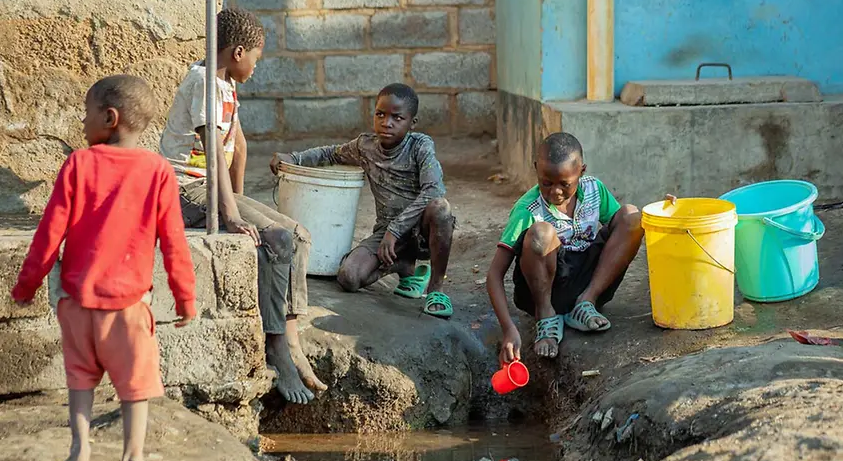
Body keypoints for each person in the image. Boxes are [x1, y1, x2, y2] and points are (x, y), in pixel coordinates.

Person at [12, 75, 195, 461]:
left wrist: (26, 286)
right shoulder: (157, 171)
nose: (82, 121)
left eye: (86, 112)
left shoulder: (78, 164)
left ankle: (80, 448)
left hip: (76, 305)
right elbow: (173, 241)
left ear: (110, 118)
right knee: (136, 384)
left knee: (79, 376)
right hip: (126, 309)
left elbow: (49, 234)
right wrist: (185, 297)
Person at [160, 7, 325, 404]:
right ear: (237, 52)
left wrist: (238, 197)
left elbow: (239, 144)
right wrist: (232, 215)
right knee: (277, 240)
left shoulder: (225, 82)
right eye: (256, 57)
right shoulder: (203, 82)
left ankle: (291, 337)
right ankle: (276, 345)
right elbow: (214, 151)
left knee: (299, 235)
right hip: (184, 190)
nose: (255, 65)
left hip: (211, 189)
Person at [270, 83, 455, 319]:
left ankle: (436, 289)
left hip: (422, 232)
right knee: (349, 277)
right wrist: (294, 158)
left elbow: (434, 189)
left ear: (412, 123)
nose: (387, 123)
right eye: (381, 114)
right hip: (387, 234)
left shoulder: (420, 146)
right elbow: (330, 154)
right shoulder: (366, 146)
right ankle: (401, 264)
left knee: (440, 208)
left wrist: (395, 230)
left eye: (397, 118)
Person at [486, 132, 644, 361]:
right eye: (546, 183)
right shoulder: (527, 209)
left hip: (588, 282)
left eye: (565, 184)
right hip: (545, 289)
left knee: (633, 216)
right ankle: (546, 318)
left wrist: (667, 210)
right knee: (541, 234)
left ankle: (586, 302)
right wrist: (508, 329)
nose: (555, 192)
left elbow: (623, 231)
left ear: (582, 171)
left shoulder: (594, 189)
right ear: (536, 169)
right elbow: (494, 274)